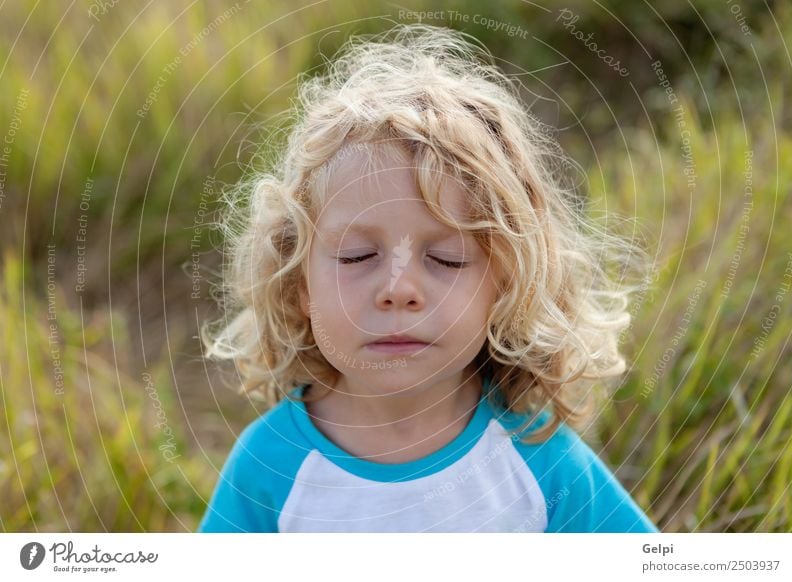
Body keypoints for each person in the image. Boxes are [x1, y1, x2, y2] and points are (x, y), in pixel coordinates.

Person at [196, 23, 658, 533]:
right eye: (355, 256)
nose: (398, 290)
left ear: (506, 286)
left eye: (447, 258)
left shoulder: (538, 458)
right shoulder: (269, 468)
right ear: (299, 284)